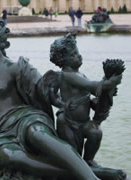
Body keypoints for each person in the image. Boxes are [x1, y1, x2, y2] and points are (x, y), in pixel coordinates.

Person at [0, 17, 100, 180]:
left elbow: (43, 90)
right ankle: (97, 174)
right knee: (7, 156)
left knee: (39, 135)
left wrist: (67, 104)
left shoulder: (16, 67)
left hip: (25, 118)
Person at [49, 33, 123, 168]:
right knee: (74, 156)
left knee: (96, 132)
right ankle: (78, 167)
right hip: (68, 122)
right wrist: (110, 82)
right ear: (63, 60)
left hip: (83, 122)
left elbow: (86, 95)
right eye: (73, 55)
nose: (78, 56)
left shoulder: (80, 74)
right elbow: (91, 86)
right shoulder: (68, 75)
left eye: (77, 52)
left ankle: (88, 160)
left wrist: (99, 98)